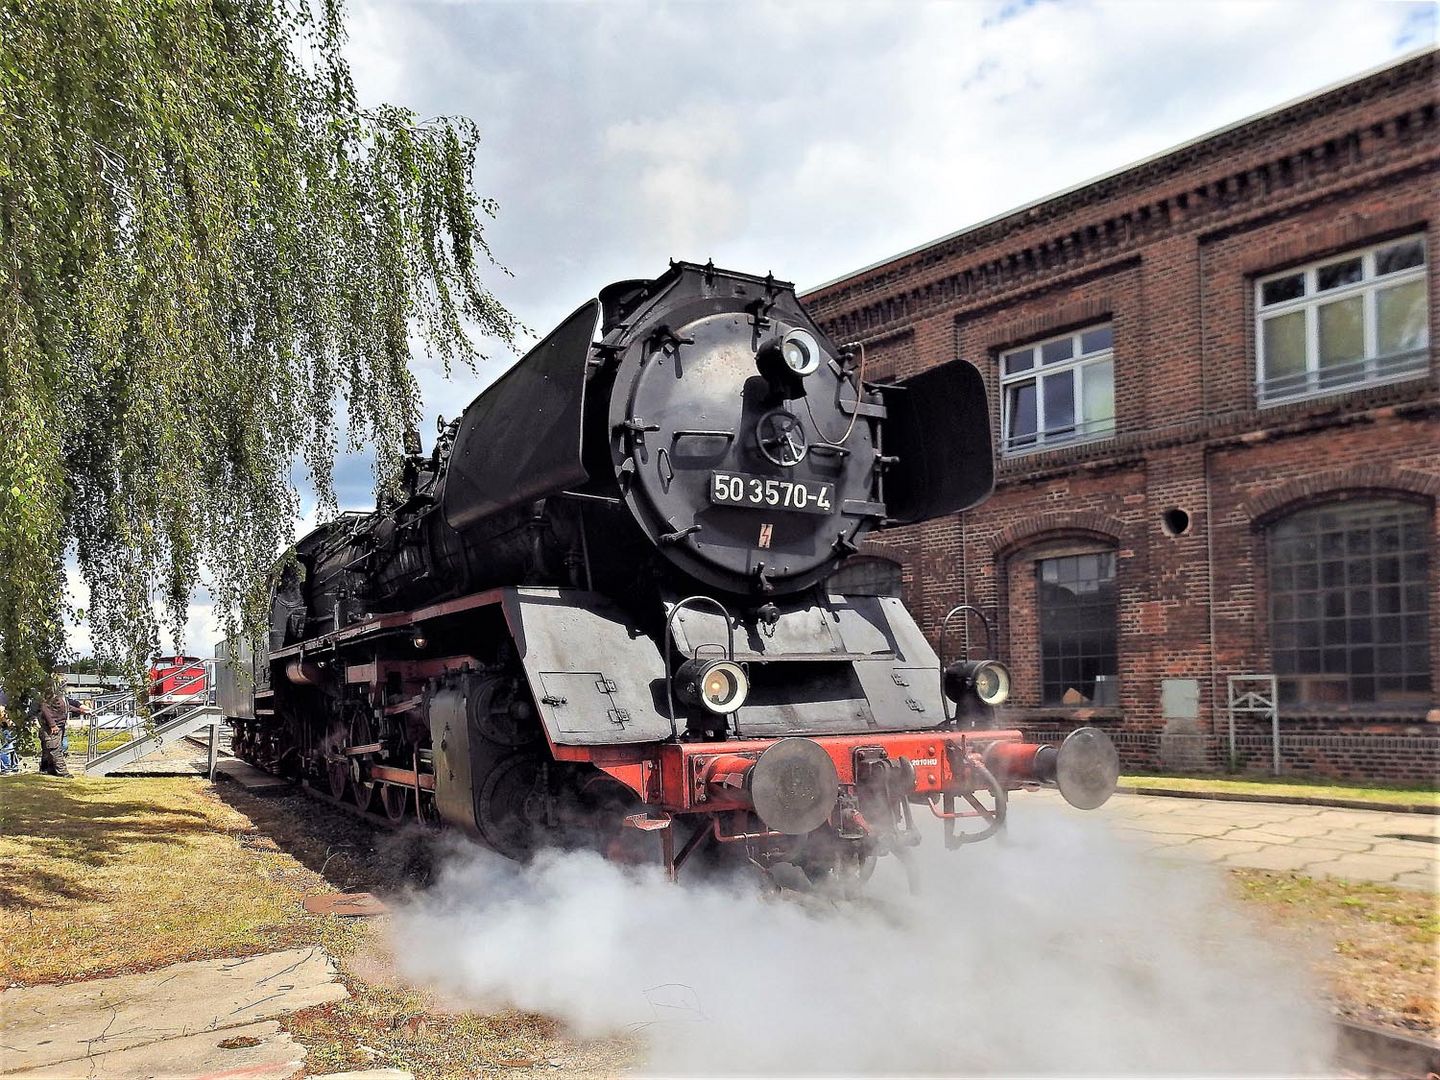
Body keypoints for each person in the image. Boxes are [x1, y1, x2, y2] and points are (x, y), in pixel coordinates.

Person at [35, 673, 90, 778]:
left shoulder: (60, 695)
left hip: (59, 726)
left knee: (51, 749)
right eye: (63, 681)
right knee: (54, 749)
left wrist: (81, 711)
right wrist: (52, 725)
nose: (65, 683)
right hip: (52, 727)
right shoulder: (49, 695)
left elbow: (67, 707)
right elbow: (45, 710)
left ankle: (50, 769)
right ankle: (63, 772)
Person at [0, 690, 18, 774]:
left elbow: (1, 709)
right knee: (10, 746)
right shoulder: (8, 691)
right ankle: (13, 766)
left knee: (5, 747)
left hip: (4, 724)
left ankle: (6, 768)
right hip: (10, 723)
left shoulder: (2, 693)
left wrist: (4, 721)